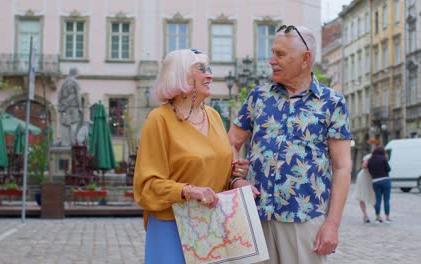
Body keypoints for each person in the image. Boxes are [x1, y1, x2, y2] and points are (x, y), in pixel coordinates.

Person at [228, 25, 352, 264]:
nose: (272, 60)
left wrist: (332, 225)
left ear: (306, 58)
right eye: (272, 52)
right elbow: (230, 143)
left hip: (303, 221)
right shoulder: (259, 96)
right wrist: (236, 178)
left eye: (281, 54)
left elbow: (342, 167)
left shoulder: (332, 102)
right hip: (256, 217)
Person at [133, 49, 249, 264]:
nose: (210, 75)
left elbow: (214, 167)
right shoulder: (158, 120)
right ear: (181, 76)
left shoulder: (213, 116)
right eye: (202, 70)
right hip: (172, 225)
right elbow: (146, 186)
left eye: (210, 69)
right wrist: (187, 190)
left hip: (211, 225)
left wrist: (236, 177)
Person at [58, 67, 82, 147]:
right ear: (75, 73)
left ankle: (65, 143)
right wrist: (80, 106)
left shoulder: (64, 82)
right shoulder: (75, 82)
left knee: (65, 125)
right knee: (74, 123)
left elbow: (60, 95)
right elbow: (78, 95)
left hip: (64, 106)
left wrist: (61, 105)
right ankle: (73, 142)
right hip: (73, 106)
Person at [367, 146, 392, 224]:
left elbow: (369, 170)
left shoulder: (370, 160)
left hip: (375, 181)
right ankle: (387, 218)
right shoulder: (383, 159)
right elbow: (388, 169)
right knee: (386, 199)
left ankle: (377, 217)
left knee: (378, 199)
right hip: (385, 180)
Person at [353, 153, 375, 223]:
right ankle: (365, 215)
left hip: (370, 178)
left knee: (373, 196)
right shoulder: (369, 156)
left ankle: (377, 215)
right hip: (363, 178)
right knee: (361, 195)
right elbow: (364, 166)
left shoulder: (380, 156)